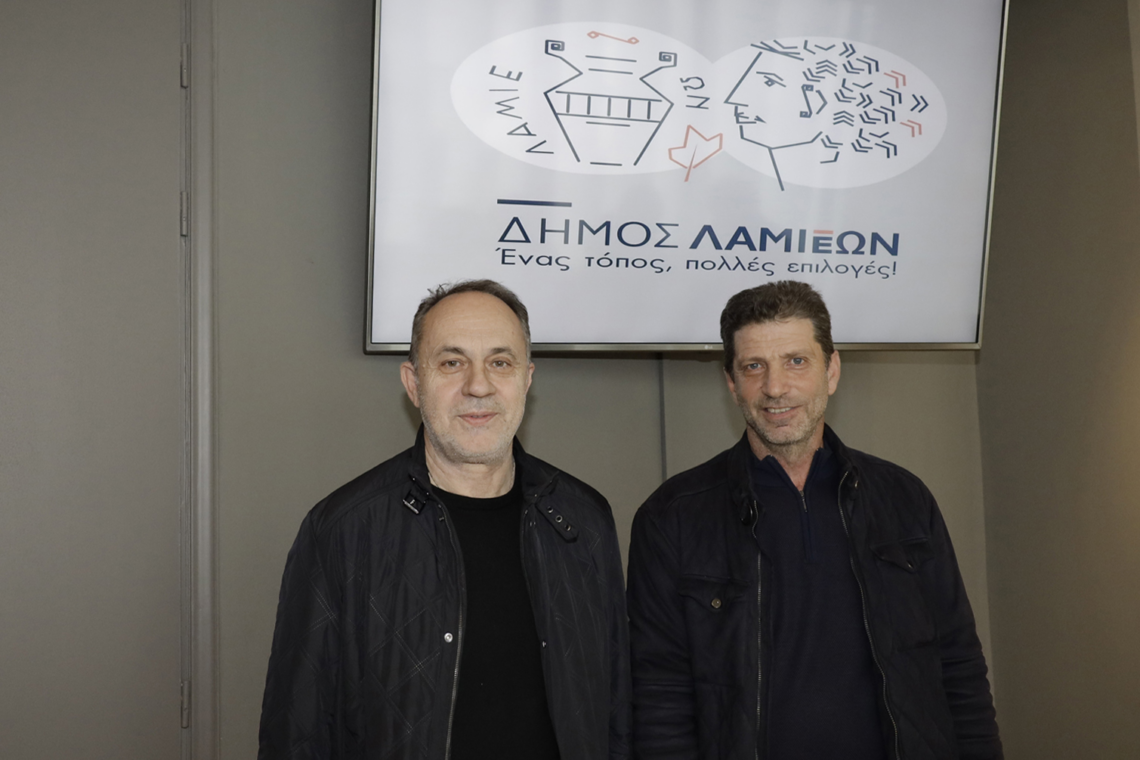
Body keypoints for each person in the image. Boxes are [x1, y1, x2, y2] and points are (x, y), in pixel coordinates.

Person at [626, 281, 1001, 760]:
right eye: (754, 366)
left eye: (796, 361)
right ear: (732, 384)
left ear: (832, 370)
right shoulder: (672, 516)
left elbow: (959, 663)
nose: (775, 387)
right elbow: (660, 697)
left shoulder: (903, 498)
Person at [258, 280, 630, 760]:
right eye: (452, 363)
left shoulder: (584, 522)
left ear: (527, 380)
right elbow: (298, 734)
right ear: (414, 383)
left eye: (500, 362)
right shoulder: (342, 531)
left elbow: (618, 716)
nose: (479, 385)